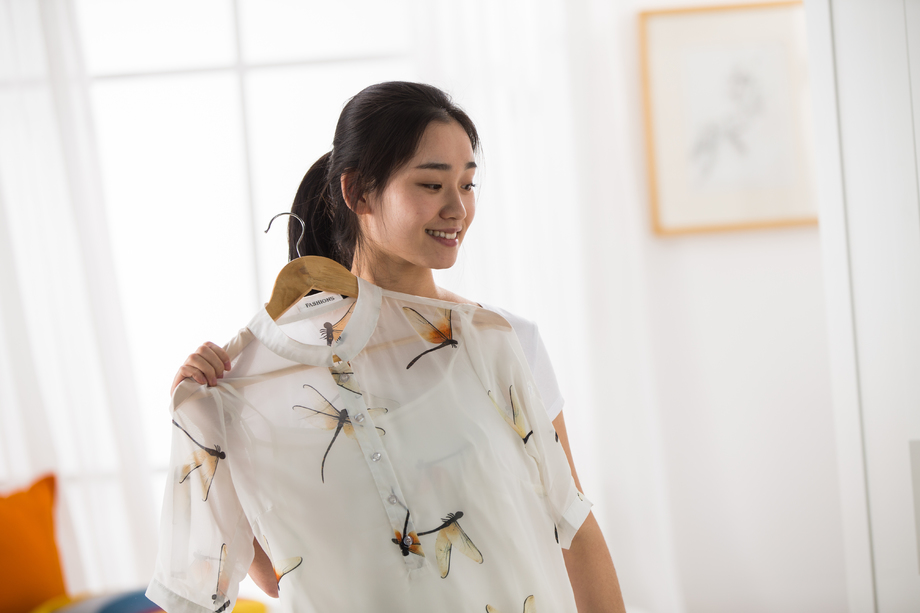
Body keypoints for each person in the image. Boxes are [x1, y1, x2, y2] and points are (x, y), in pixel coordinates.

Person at [168, 81, 625, 612]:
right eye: (432, 185)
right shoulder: (264, 374)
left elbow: (574, 530)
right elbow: (272, 575)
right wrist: (202, 419)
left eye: (469, 185)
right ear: (359, 192)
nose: (457, 208)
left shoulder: (501, 341)